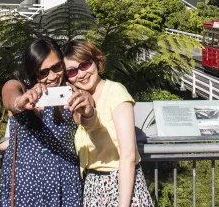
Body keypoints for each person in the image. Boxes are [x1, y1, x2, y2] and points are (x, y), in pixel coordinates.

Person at [0, 37, 97, 207]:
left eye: (57, 67)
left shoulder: (73, 96)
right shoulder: (20, 88)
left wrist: (88, 109)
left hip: (63, 185)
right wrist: (19, 103)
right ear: (33, 71)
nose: (52, 76)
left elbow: (87, 122)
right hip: (22, 186)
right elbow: (9, 95)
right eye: (43, 72)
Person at [63, 40, 154, 207]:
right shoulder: (77, 102)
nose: (81, 74)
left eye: (85, 65)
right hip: (93, 188)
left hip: (121, 186)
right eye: (72, 71)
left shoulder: (115, 92)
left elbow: (128, 155)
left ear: (96, 61)